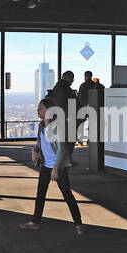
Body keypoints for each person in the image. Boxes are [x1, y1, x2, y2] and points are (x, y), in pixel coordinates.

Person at [20, 97, 83, 235]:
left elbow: (62, 149)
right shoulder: (41, 126)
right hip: (45, 166)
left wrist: (55, 168)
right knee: (40, 194)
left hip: (58, 166)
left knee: (67, 195)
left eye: (41, 108)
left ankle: (78, 223)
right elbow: (40, 142)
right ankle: (35, 222)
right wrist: (34, 149)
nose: (38, 110)